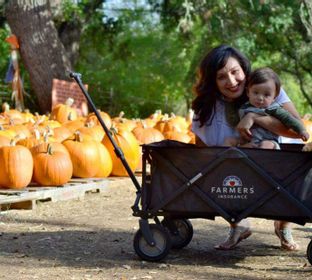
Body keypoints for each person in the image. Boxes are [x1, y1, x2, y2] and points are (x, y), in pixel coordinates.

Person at [191, 45, 305, 251]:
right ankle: (238, 224)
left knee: (287, 169)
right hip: (237, 162)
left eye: (235, 72)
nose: (232, 81)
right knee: (222, 164)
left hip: (276, 157)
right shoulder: (207, 105)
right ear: (213, 81)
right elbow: (201, 146)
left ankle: (283, 224)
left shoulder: (265, 85)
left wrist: (254, 117)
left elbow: (297, 130)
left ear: (244, 69)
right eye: (221, 77)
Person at [224, 67, 309, 148]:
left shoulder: (274, 109)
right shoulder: (244, 108)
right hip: (249, 141)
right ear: (248, 92)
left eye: (266, 95)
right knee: (229, 141)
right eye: (256, 93)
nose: (260, 98)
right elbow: (235, 122)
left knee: (266, 144)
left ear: (274, 98)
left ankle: (259, 157)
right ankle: (227, 161)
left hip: (268, 140)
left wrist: (302, 131)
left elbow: (289, 119)